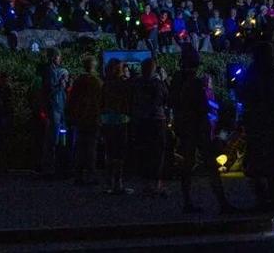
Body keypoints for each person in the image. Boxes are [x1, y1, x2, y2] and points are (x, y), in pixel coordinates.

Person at [170, 47, 234, 214]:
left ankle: (187, 201)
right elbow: (203, 107)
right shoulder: (196, 83)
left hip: (184, 127)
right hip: (199, 128)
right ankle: (222, 202)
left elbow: (172, 102)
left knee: (187, 164)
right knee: (210, 165)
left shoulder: (176, 80)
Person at [236, 43, 274, 210]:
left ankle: (262, 198)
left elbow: (242, 94)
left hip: (258, 122)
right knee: (273, 163)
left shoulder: (252, 74)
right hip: (270, 122)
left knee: (255, 162)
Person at [130, 57, 170, 197]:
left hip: (141, 120)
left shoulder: (137, 82)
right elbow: (165, 98)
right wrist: (164, 79)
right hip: (156, 121)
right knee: (158, 152)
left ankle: (146, 185)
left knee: (145, 152)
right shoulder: (157, 83)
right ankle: (157, 185)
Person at [67, 56, 103, 186]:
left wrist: (72, 115)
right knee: (91, 147)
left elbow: (72, 100)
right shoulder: (97, 82)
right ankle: (91, 174)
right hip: (93, 118)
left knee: (80, 146)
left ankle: (79, 174)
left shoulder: (78, 81)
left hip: (80, 118)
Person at [100, 59, 133, 195]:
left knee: (109, 151)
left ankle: (108, 183)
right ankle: (118, 183)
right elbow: (128, 101)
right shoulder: (123, 84)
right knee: (119, 152)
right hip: (121, 120)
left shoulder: (105, 84)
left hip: (107, 120)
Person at [39, 49, 71, 177]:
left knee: (60, 137)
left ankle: (58, 165)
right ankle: (49, 168)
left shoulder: (54, 71)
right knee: (53, 138)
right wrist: (61, 85)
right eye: (58, 57)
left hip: (60, 108)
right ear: (54, 57)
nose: (60, 59)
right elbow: (50, 91)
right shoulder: (50, 72)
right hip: (55, 108)